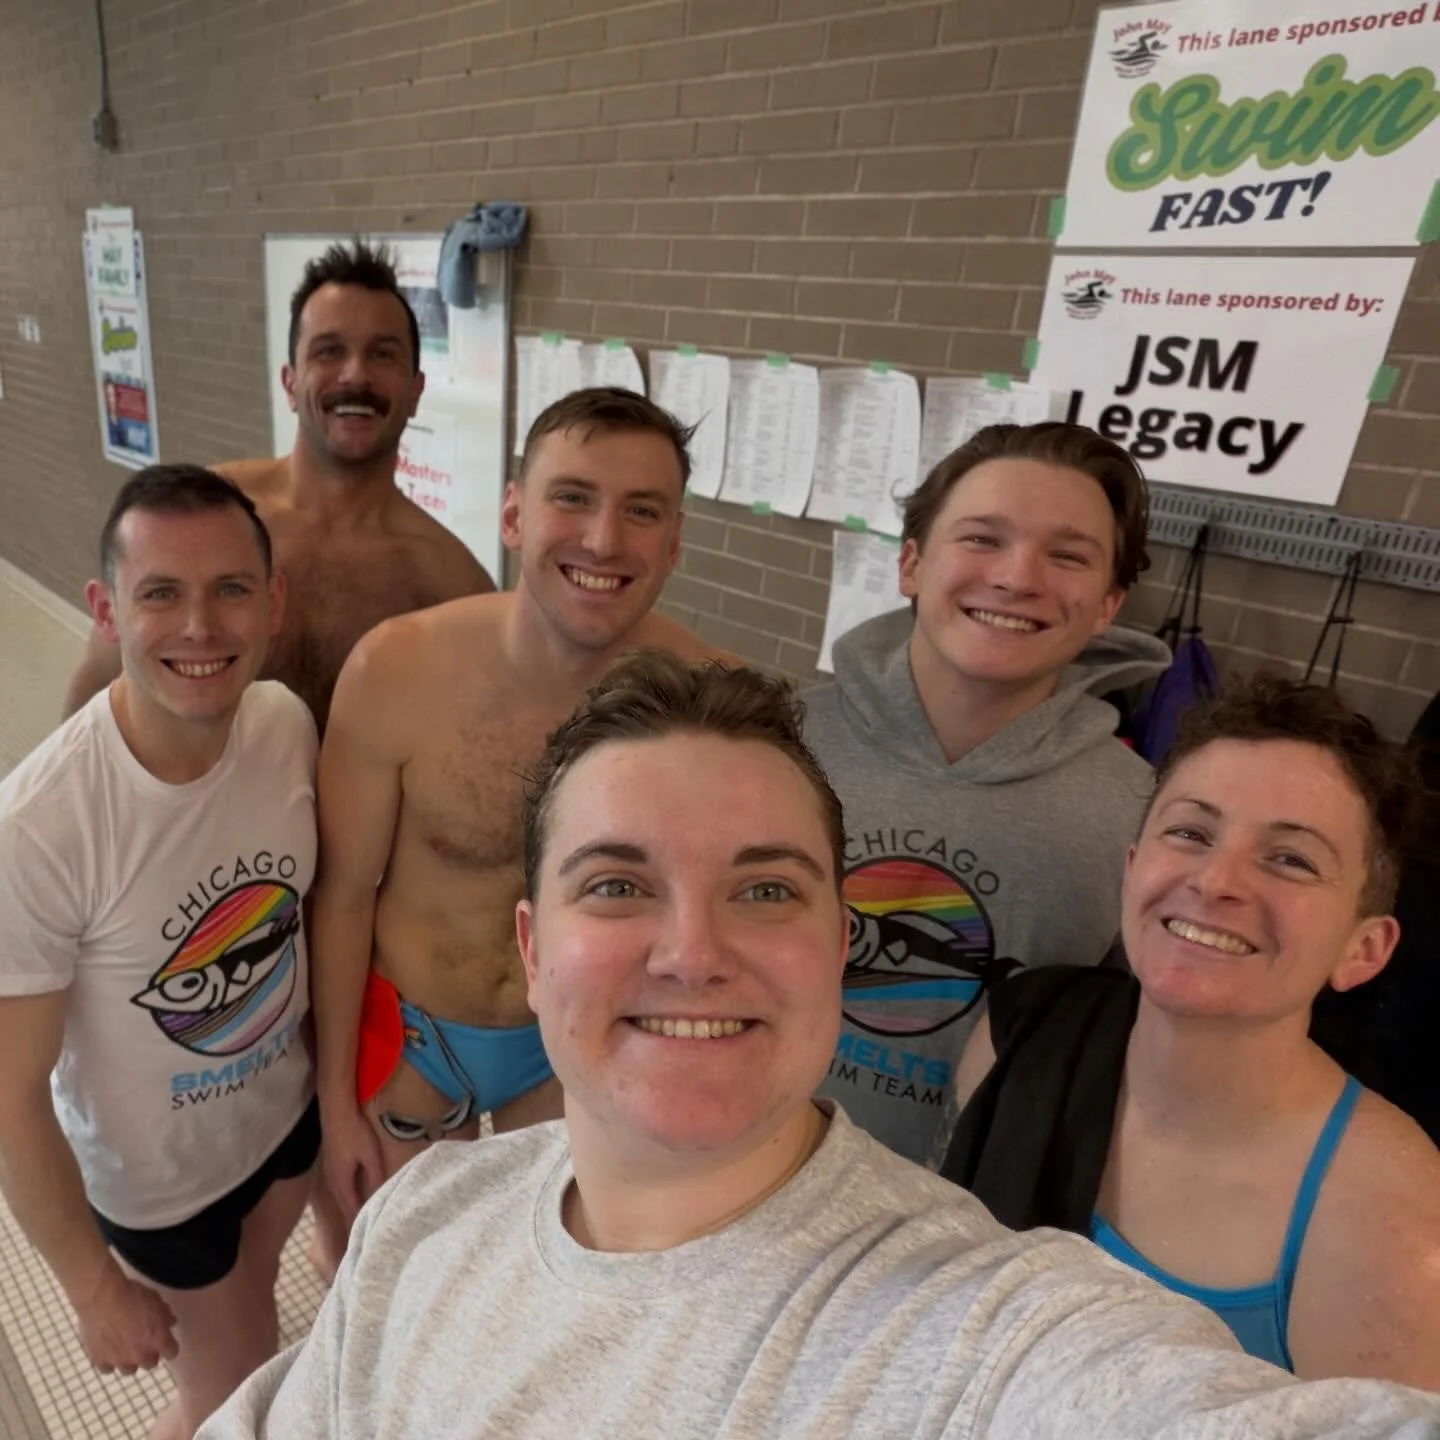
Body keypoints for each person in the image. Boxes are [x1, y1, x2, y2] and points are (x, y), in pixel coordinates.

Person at [199, 653, 1440, 1440]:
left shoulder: (971, 1331)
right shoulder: (427, 1223)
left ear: (841, 941)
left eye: (765, 891)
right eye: (619, 887)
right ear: (533, 947)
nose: (693, 952)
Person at [310, 388, 726, 1245]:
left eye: (640, 511)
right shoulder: (400, 668)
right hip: (416, 1045)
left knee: (544, 1288)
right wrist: (331, 1101)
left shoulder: (708, 701)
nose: (603, 540)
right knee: (390, 1275)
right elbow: (343, 896)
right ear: (513, 513)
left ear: (675, 542)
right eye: (571, 497)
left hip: (579, 1043)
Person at [940, 675, 1440, 1388]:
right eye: (1191, 832)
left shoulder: (1390, 1223)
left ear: (1363, 950)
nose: (1216, 880)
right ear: (1133, 869)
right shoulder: (1020, 1036)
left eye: (1290, 858)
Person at [0, 466, 319, 1440]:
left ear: (272, 603)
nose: (199, 627)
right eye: (161, 594)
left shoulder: (284, 725)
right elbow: (9, 1093)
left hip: (282, 1121)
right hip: (161, 1186)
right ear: (105, 610)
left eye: (229, 589)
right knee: (231, 1387)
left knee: (256, 1298)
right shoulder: (40, 826)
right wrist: (91, 1285)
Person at [803, 421, 1170, 1165]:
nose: (1017, 577)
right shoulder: (773, 741)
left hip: (960, 1239)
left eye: (1068, 555)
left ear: (1108, 604)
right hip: (727, 1185)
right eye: (981, 539)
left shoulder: (1147, 816)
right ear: (910, 562)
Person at [65, 239, 494, 733]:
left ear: (415, 391)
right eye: (329, 351)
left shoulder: (451, 582)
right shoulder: (204, 521)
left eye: (383, 354)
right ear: (290, 383)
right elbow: (93, 694)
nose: (356, 374)